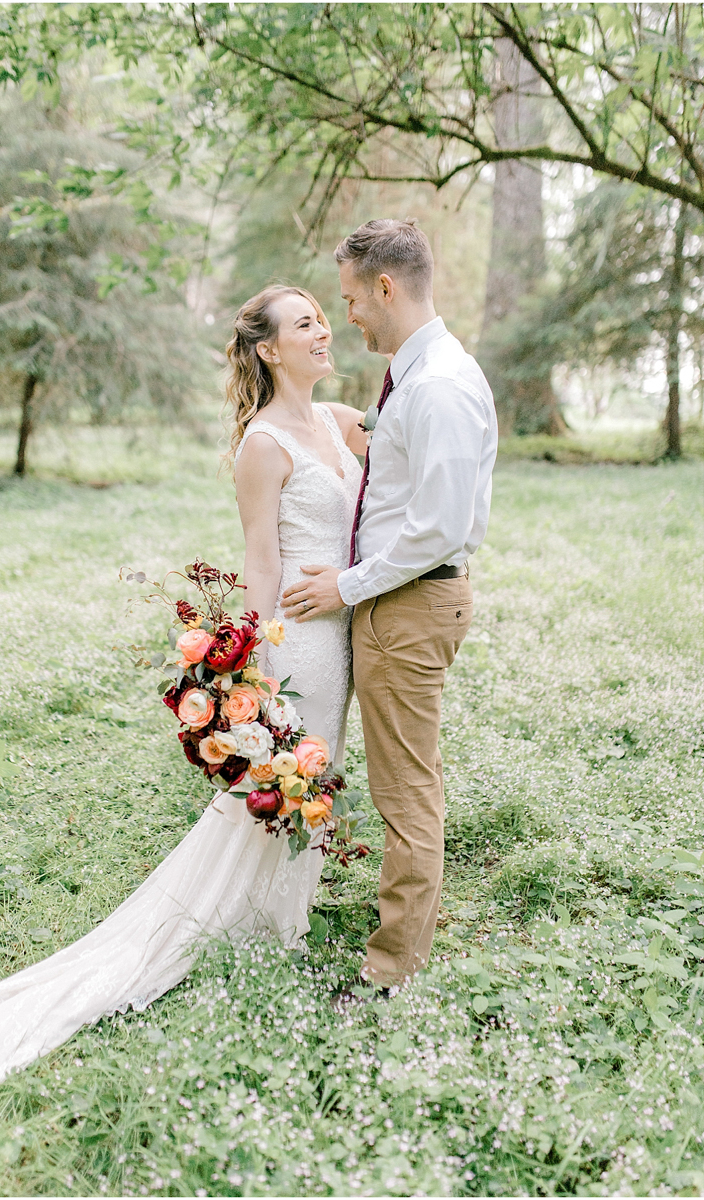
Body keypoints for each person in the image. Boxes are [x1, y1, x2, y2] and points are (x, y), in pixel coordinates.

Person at [0, 285, 364, 1116]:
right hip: (302, 644)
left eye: (321, 317)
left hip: (349, 630)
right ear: (268, 349)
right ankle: (254, 926)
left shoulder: (340, 420)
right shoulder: (261, 446)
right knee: (290, 778)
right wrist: (250, 679)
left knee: (315, 780)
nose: (323, 329)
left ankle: (278, 914)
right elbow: (259, 564)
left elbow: (413, 453)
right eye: (304, 323)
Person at [281, 219, 498, 989]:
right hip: (399, 603)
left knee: (405, 792)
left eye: (350, 299)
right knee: (404, 780)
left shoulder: (436, 384)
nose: (347, 318)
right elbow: (412, 463)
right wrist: (363, 425)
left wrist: (344, 584)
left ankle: (391, 966)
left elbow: (437, 526)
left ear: (385, 286)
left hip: (409, 604)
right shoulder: (420, 376)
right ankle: (400, 944)